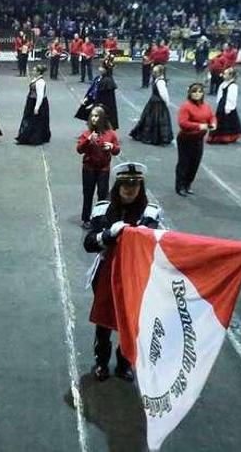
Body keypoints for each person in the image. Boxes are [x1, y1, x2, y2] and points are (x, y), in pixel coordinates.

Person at [84, 162, 162, 381]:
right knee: (103, 321)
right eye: (125, 185)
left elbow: (161, 245)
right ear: (117, 186)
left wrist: (148, 235)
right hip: (107, 272)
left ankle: (124, 362)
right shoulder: (103, 209)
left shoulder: (150, 213)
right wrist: (107, 235)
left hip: (136, 274)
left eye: (135, 185)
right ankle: (101, 361)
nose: (130, 189)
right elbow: (89, 243)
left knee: (131, 321)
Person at [78, 107, 121, 228]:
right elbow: (79, 149)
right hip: (89, 169)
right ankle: (86, 218)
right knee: (88, 193)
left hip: (103, 169)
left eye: (96, 116)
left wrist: (112, 146)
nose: (93, 118)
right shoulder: (87, 134)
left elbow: (117, 150)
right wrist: (87, 141)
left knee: (102, 194)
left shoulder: (111, 134)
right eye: (92, 116)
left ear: (102, 118)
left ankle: (101, 217)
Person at [175, 83, 215, 196]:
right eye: (194, 92)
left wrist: (213, 123)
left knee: (195, 163)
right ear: (190, 93)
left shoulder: (206, 106)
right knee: (184, 163)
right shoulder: (185, 106)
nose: (197, 94)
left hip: (199, 139)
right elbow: (182, 123)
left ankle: (188, 184)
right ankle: (180, 186)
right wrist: (199, 126)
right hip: (186, 139)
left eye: (199, 92)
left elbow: (212, 116)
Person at [129, 64, 172, 145]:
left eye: (155, 71)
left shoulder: (160, 82)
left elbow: (164, 95)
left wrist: (166, 103)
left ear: (160, 72)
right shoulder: (157, 80)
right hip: (155, 102)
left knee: (152, 120)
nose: (153, 73)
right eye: (153, 71)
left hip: (157, 103)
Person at [15, 65, 50, 145]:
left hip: (36, 102)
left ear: (38, 72)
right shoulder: (35, 79)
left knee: (36, 120)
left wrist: (37, 107)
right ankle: (28, 135)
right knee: (29, 119)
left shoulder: (40, 82)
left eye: (34, 70)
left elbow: (40, 95)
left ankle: (35, 137)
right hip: (31, 101)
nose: (32, 72)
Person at [208, 67, 241, 144]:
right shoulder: (223, 84)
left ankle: (228, 136)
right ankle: (218, 136)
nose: (223, 75)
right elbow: (220, 93)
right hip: (222, 103)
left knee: (228, 121)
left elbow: (232, 97)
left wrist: (229, 107)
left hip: (227, 105)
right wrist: (219, 102)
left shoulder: (233, 85)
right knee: (219, 119)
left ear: (231, 76)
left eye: (225, 74)